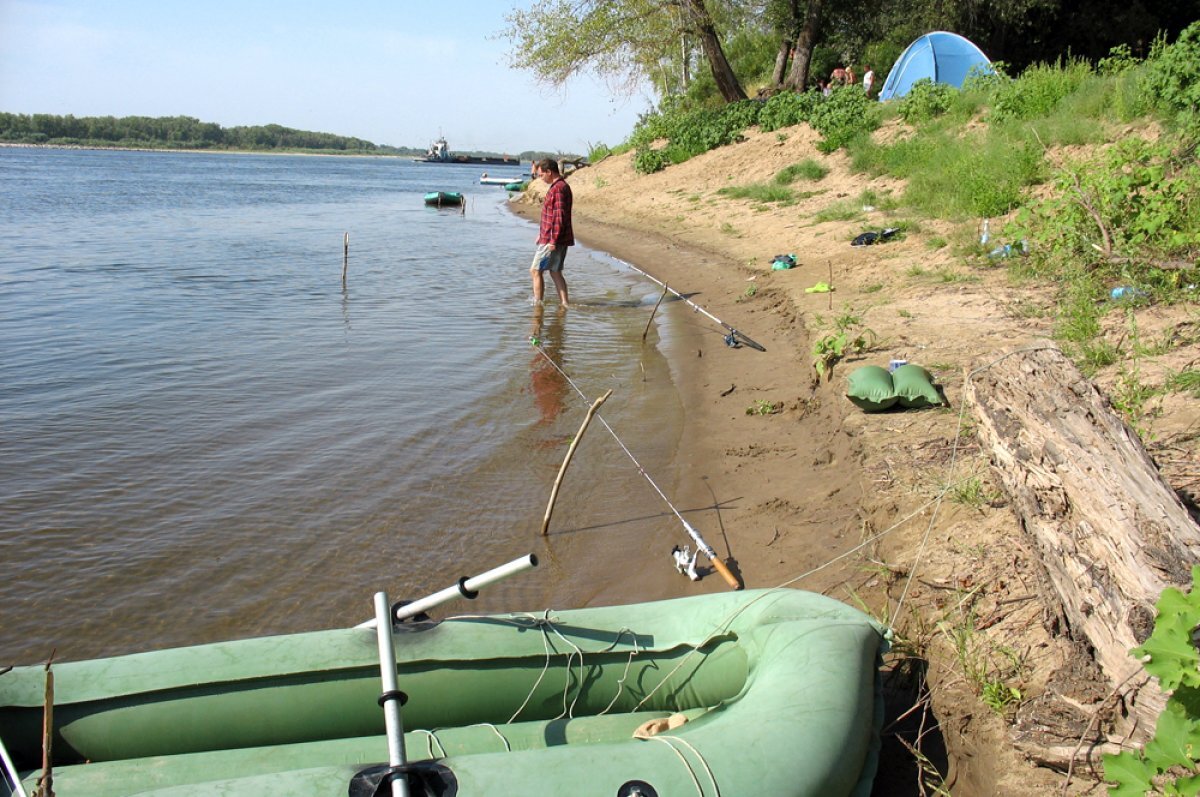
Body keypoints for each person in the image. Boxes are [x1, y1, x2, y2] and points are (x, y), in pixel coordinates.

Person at [530, 158, 572, 308]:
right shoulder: (559, 187)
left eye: (541, 175)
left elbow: (559, 216)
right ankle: (565, 304)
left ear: (549, 172)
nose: (540, 178)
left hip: (553, 240)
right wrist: (541, 234)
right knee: (555, 271)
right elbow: (552, 215)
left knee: (535, 270)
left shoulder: (559, 188)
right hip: (551, 237)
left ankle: (537, 304)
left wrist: (552, 240)